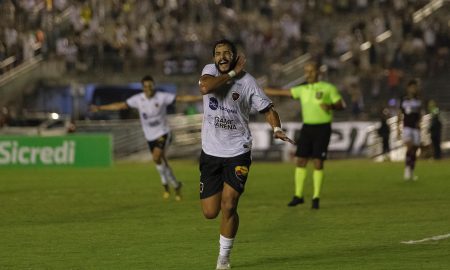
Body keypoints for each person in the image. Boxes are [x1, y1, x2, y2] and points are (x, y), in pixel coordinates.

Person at [198, 39, 295, 270]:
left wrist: (277, 128)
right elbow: (205, 88)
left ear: (234, 56)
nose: (221, 57)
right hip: (211, 152)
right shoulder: (209, 72)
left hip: (237, 152)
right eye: (218, 53)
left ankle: (224, 258)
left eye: (226, 53)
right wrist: (232, 73)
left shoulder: (249, 82)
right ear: (214, 58)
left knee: (229, 205)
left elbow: (268, 109)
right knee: (210, 212)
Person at [91, 75, 201, 200]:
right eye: (145, 86)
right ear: (142, 88)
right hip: (150, 137)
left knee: (156, 156)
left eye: (150, 85)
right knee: (160, 160)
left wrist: (201, 97)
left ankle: (165, 185)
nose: (148, 88)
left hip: (163, 133)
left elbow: (181, 98)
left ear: (154, 85)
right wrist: (100, 107)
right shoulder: (138, 99)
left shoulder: (162, 96)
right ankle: (175, 185)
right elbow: (121, 105)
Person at [264, 61, 346, 209]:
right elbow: (284, 92)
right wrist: (261, 89)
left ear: (318, 72)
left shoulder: (328, 88)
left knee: (318, 162)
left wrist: (331, 106)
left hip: (323, 128)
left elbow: (342, 105)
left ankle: (316, 198)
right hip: (307, 128)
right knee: (300, 160)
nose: (308, 74)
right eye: (306, 71)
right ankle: (298, 196)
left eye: (311, 71)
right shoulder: (303, 89)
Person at [397, 79, 423, 180]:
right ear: (408, 88)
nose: (414, 89)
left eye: (415, 87)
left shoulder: (418, 100)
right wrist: (398, 129)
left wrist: (420, 124)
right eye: (412, 87)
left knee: (415, 150)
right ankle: (407, 169)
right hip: (407, 127)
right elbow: (400, 114)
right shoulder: (403, 99)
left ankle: (411, 169)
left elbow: (420, 114)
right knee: (409, 147)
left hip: (416, 128)